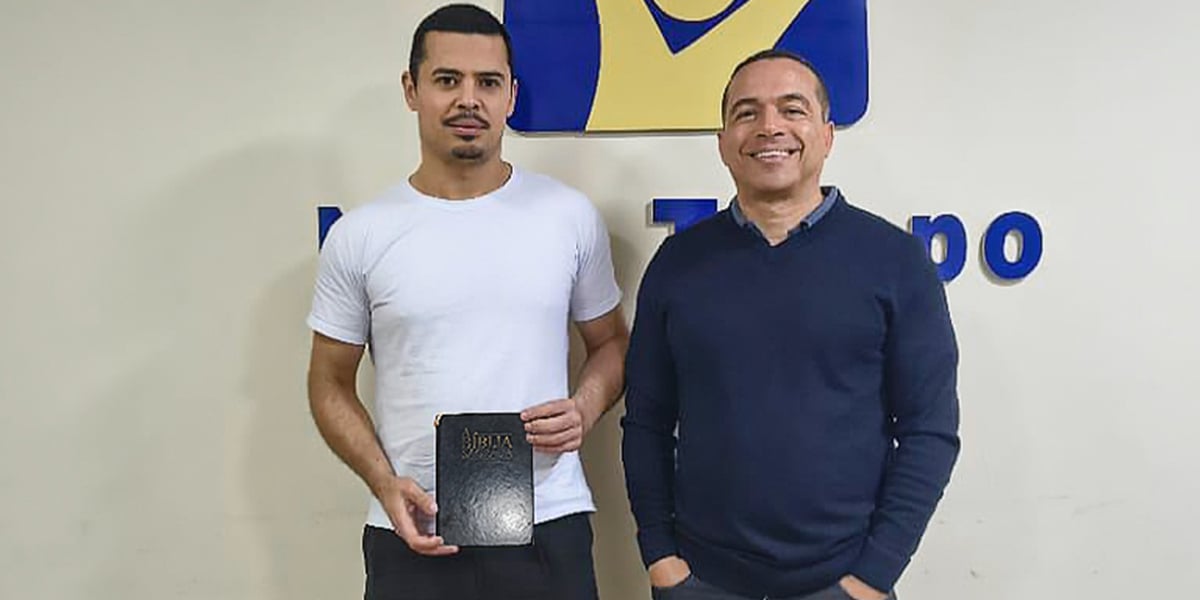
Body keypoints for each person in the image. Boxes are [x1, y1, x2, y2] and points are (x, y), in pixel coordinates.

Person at [305, 5, 628, 599]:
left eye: (488, 82)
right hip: (413, 527)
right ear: (412, 90)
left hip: (548, 524)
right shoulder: (361, 235)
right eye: (448, 80)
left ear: (511, 96)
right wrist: (383, 482)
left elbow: (611, 344)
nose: (468, 100)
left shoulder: (568, 217)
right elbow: (328, 383)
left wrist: (583, 409)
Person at [621, 49, 961, 600]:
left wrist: (871, 578)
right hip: (702, 581)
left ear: (827, 135)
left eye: (792, 109)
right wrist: (661, 560)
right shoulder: (678, 264)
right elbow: (646, 423)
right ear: (724, 142)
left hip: (843, 583)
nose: (769, 126)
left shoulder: (896, 262)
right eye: (747, 112)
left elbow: (930, 430)